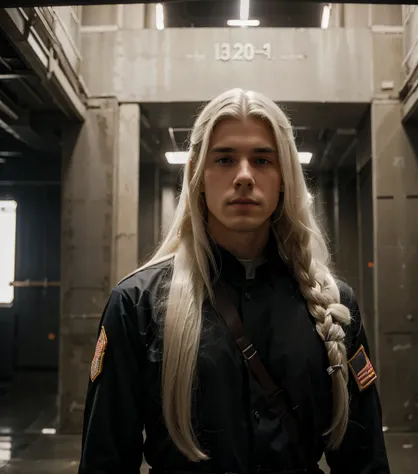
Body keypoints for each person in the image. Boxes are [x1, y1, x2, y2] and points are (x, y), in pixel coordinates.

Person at [78, 88, 390, 474]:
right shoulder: (134, 305)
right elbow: (105, 460)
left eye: (262, 159)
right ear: (198, 175)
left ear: (284, 179)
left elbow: (365, 460)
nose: (244, 176)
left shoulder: (335, 305)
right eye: (224, 159)